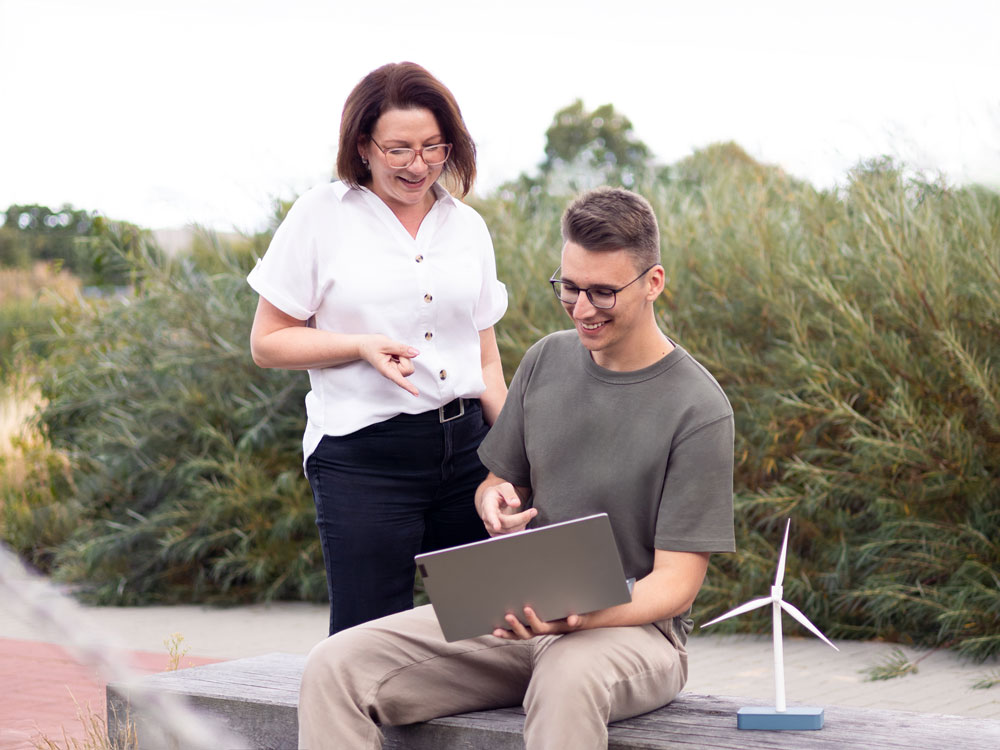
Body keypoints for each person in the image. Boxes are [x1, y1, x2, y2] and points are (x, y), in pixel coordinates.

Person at [296, 187, 735, 750]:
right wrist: (494, 499)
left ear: (653, 282)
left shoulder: (698, 408)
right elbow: (502, 479)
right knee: (335, 665)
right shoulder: (546, 360)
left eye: (603, 293)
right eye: (569, 288)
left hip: (633, 634)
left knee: (565, 677)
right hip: (521, 616)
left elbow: (676, 584)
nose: (581, 309)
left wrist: (577, 618)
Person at [247, 62, 508, 636]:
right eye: (399, 149)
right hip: (365, 458)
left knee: (488, 635)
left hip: (467, 452)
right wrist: (358, 346)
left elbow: (485, 359)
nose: (418, 165)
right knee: (366, 644)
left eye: (433, 147)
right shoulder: (321, 215)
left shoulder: (468, 228)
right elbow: (267, 342)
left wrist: (512, 455)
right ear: (363, 145)